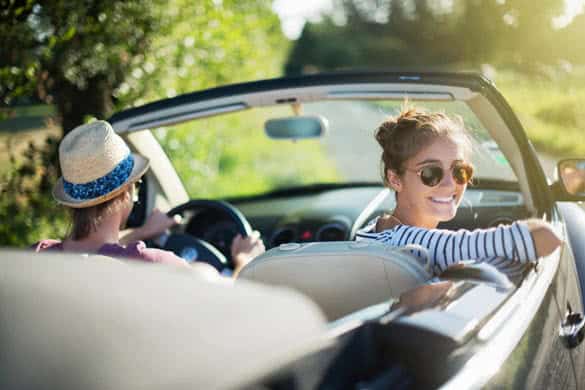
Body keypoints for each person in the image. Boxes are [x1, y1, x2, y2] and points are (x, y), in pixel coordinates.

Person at [32, 120, 265, 278]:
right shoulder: (153, 266)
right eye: (137, 186)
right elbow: (229, 296)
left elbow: (90, 245)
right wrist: (244, 261)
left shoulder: (37, 258)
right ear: (126, 194)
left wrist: (142, 231)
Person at [356, 108, 562, 282]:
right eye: (430, 173)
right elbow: (546, 237)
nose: (449, 184)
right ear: (395, 179)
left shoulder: (372, 230)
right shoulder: (421, 246)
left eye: (459, 171)